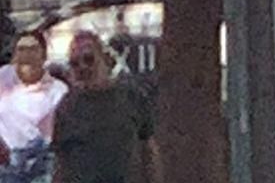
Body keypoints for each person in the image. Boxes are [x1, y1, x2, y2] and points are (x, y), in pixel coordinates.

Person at [51, 34, 159, 183]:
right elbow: (60, 164)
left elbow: (149, 150)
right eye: (75, 63)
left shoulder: (132, 96)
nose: (82, 67)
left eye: (89, 59)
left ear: (105, 60)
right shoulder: (66, 107)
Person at [0, 29, 67, 183]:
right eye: (21, 50)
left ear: (44, 56)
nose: (27, 56)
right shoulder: (2, 77)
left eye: (33, 50)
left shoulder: (59, 91)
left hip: (41, 164)